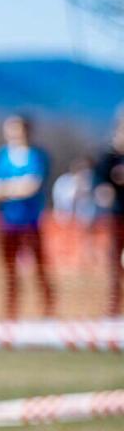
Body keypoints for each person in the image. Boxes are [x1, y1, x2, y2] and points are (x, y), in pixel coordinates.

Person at [0, 114, 55, 319]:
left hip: (32, 220)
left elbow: (32, 186)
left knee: (39, 267)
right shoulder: (0, 157)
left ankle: (47, 309)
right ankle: (11, 312)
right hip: (7, 221)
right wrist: (16, 186)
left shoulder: (37, 155)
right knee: (8, 269)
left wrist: (4, 188)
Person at [93, 113, 124, 315]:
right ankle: (114, 307)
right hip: (116, 216)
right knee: (114, 262)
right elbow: (99, 186)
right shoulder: (107, 158)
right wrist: (104, 192)